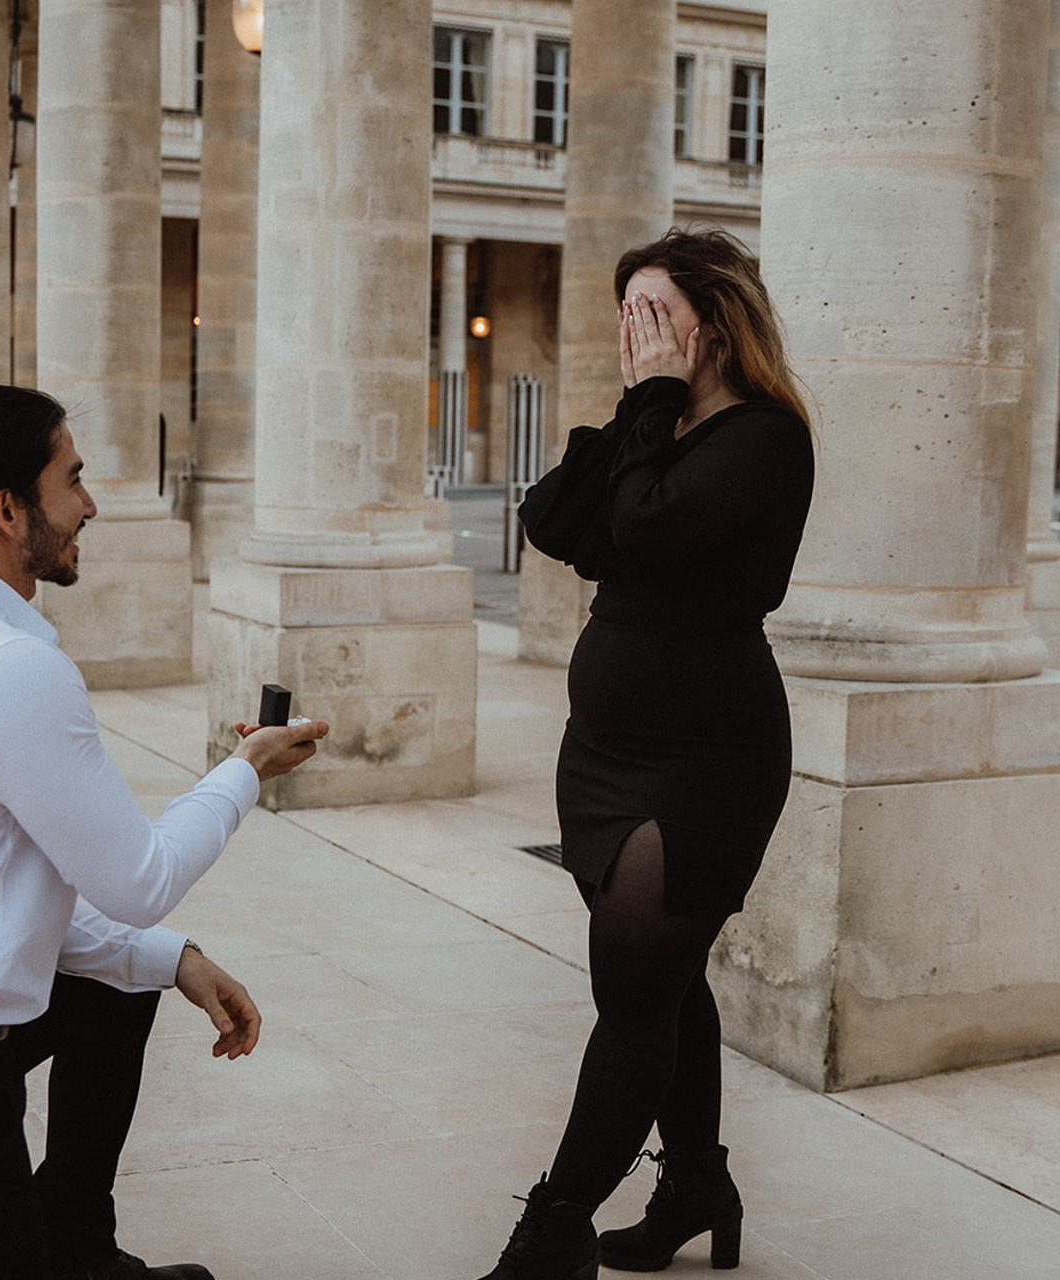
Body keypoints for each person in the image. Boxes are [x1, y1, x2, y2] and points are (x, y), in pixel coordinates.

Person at [0, 384, 329, 1280]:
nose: (90, 505)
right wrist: (247, 770)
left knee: (120, 985)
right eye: (72, 479)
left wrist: (172, 959)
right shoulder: (9, 668)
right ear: (7, 511)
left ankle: (74, 1242)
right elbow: (138, 879)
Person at [470, 228, 815, 1279]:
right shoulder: (652, 431)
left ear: (709, 326)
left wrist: (649, 416)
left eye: (651, 313)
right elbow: (553, 519)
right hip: (605, 750)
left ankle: (554, 1224)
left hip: (703, 757)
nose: (632, 333)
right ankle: (695, 1180)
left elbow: (648, 532)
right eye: (626, 314)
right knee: (663, 981)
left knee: (631, 994)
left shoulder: (761, 436)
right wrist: (640, 409)